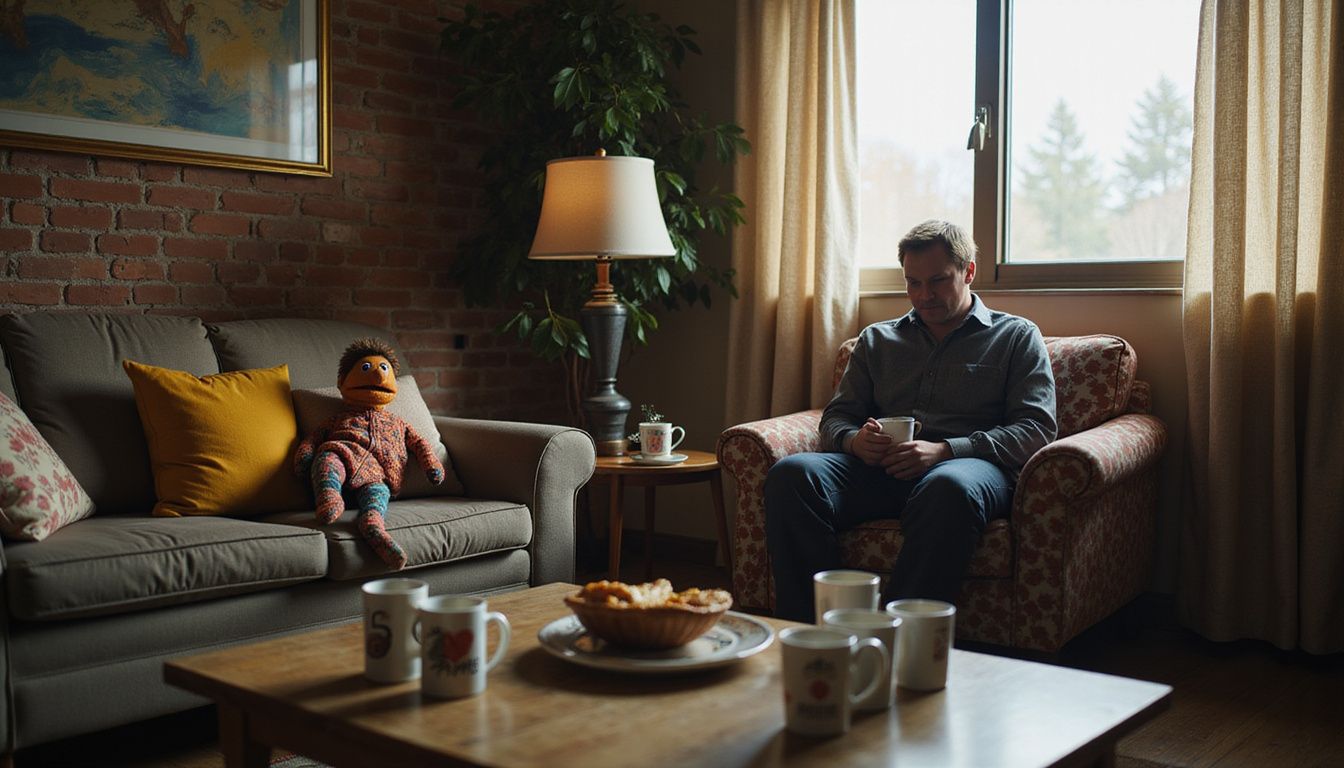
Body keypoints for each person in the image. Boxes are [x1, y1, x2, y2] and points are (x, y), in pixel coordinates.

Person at [764, 220, 1057, 622]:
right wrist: (854, 441)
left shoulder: (1016, 337)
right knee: (792, 474)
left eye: (938, 281)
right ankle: (816, 626)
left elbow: (1036, 429)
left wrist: (944, 451)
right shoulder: (877, 339)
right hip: (880, 471)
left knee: (947, 487)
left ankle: (893, 633)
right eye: (913, 283)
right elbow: (837, 417)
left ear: (968, 271)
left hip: (968, 470)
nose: (924, 295)